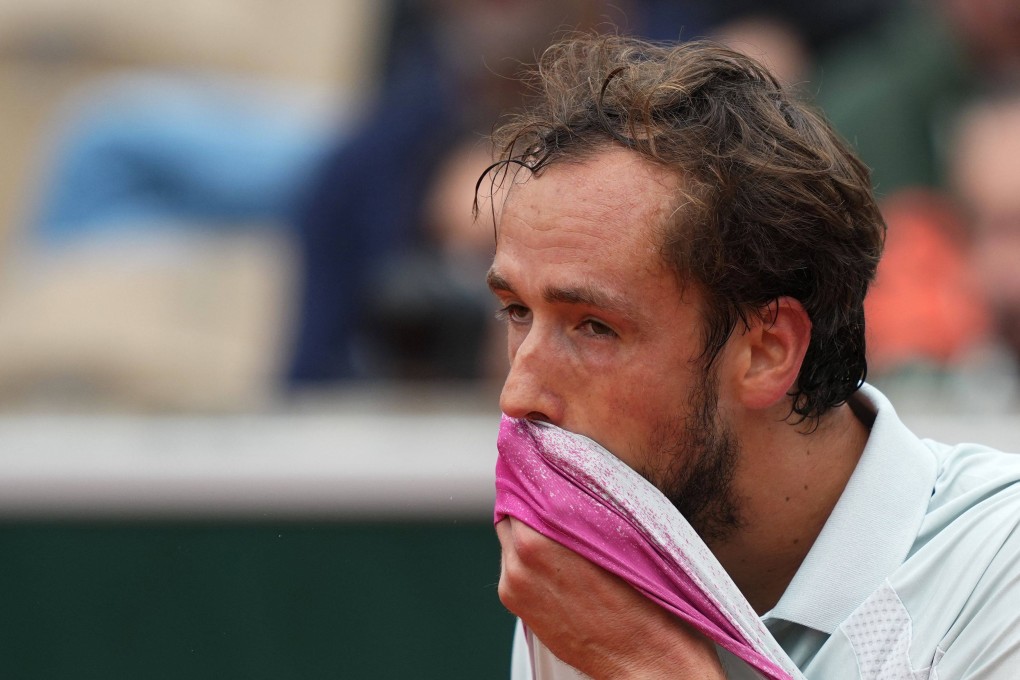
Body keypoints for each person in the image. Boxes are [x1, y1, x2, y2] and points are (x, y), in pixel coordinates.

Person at [481, 34, 1020, 678]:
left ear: (768, 350)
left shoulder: (1000, 569)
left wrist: (645, 663)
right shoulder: (595, 559)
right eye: (517, 311)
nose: (519, 394)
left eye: (594, 327)